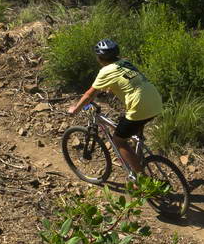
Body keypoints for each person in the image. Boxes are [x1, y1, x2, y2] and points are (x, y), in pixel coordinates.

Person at [66, 39, 163, 177]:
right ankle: (139, 164)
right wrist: (112, 88)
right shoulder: (125, 63)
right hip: (155, 101)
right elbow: (128, 79)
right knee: (135, 135)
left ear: (99, 58)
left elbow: (89, 94)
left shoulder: (106, 70)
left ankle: (142, 179)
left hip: (139, 106)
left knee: (119, 140)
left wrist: (75, 109)